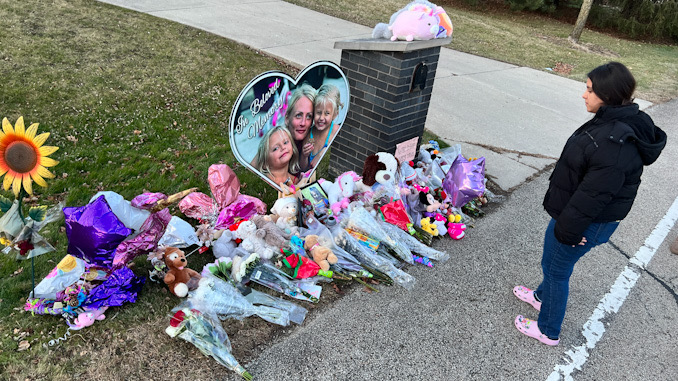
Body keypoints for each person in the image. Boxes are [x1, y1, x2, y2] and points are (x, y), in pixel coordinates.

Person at [513, 62, 667, 346]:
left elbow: (593, 196)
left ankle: (548, 331)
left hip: (584, 221)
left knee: (557, 271)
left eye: (589, 90)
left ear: (607, 94)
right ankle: (540, 297)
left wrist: (569, 232)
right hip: (575, 214)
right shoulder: (612, 121)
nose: (584, 95)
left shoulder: (614, 142)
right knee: (552, 263)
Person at [306, 84, 343, 168]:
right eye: (318, 112)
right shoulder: (309, 134)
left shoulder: (336, 132)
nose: (321, 118)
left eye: (327, 113)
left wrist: (323, 152)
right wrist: (305, 156)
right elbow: (303, 167)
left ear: (335, 114)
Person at [285, 84, 316, 172]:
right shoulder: (278, 139)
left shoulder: (311, 139)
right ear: (287, 118)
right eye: (298, 115)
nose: (303, 123)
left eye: (309, 116)